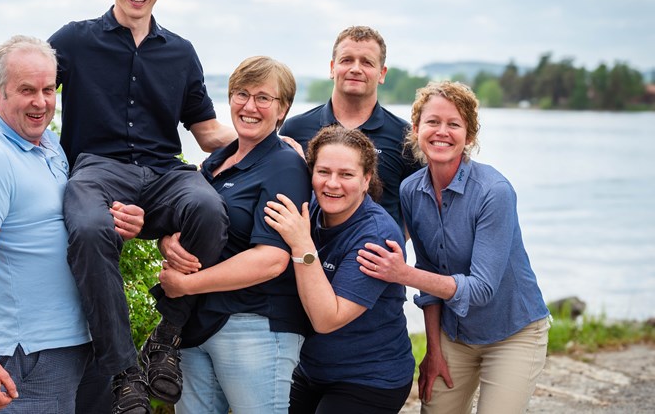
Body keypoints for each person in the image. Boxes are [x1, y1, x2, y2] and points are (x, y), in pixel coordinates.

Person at [0, 0, 235, 414]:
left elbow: (207, 132)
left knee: (209, 207)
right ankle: (123, 370)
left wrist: (273, 143)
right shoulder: (75, 39)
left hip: (164, 170)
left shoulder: (181, 52)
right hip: (96, 170)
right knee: (86, 226)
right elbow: (26, 78)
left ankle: (166, 336)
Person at [0, 36, 143, 412]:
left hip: (83, 342)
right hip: (31, 355)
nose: (40, 102)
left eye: (48, 90)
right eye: (26, 91)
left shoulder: (51, 146)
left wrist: (122, 221)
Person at [357, 81, 550, 413]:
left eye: (454, 124)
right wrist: (434, 352)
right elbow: (431, 270)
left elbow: (481, 288)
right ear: (416, 129)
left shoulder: (494, 192)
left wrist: (402, 273)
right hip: (455, 334)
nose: (441, 132)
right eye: (432, 122)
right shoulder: (410, 190)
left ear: (469, 136)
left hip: (512, 333)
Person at [157, 56, 311, 414]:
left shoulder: (285, 165)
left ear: (283, 108)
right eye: (241, 94)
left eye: (263, 97)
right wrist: (167, 241)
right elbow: (187, 220)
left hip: (254, 327)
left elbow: (271, 259)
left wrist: (187, 286)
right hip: (198, 326)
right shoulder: (215, 162)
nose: (250, 106)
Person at [264, 125, 414, 414]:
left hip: (371, 378)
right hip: (310, 369)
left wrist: (302, 245)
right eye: (323, 172)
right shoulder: (311, 209)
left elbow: (326, 319)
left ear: (366, 179)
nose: (332, 184)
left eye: (346, 175)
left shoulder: (376, 236)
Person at [279, 26, 419, 230]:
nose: (355, 68)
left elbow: (416, 211)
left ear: (382, 73)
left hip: (375, 257)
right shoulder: (295, 129)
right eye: (346, 60)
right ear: (332, 68)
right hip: (308, 254)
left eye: (367, 62)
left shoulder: (405, 137)